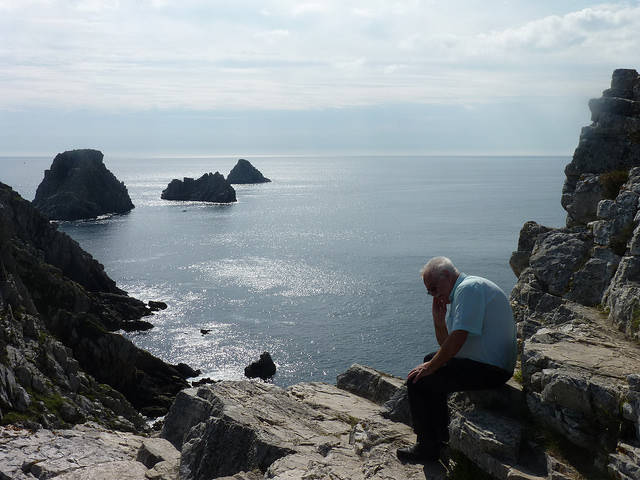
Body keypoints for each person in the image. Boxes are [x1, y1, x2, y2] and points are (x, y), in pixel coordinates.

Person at [397, 256, 517, 462]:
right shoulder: (465, 290)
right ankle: (440, 435)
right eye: (429, 291)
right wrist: (439, 322)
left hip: (490, 369)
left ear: (446, 276)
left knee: (418, 381)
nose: (433, 294)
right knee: (430, 361)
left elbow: (458, 338)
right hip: (488, 364)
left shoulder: (469, 289)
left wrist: (430, 368)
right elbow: (448, 345)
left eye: (433, 288)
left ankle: (427, 447)